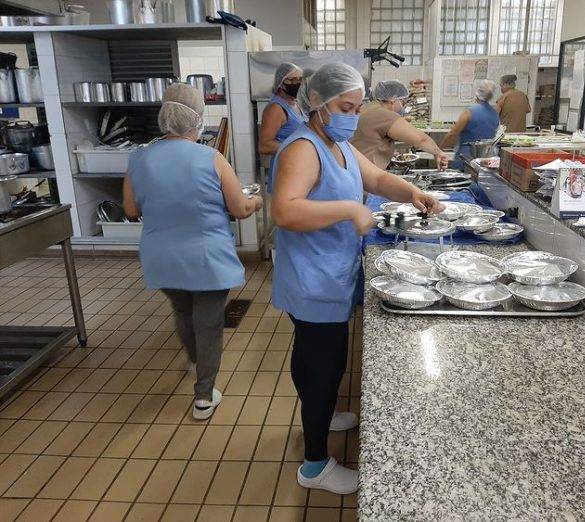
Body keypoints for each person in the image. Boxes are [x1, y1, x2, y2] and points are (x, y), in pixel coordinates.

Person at [271, 63, 442, 495]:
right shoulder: (303, 148)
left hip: (330, 271)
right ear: (318, 104)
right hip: (313, 278)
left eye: (356, 106)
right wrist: (350, 210)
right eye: (345, 106)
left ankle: (322, 412)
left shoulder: (340, 144)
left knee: (314, 358)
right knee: (324, 366)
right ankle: (314, 466)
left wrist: (413, 192)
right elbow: (285, 210)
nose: (352, 113)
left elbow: (378, 177)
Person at [123, 83, 262, 420]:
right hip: (205, 257)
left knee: (183, 312)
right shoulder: (210, 157)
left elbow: (130, 209)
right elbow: (240, 209)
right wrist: (257, 200)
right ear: (197, 120)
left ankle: (195, 362)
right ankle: (203, 396)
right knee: (209, 323)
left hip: (161, 255)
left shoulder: (139, 157)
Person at [351, 80, 448, 170]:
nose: (403, 106)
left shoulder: (366, 108)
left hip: (354, 166)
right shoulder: (384, 114)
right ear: (393, 99)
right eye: (402, 101)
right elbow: (421, 139)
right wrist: (438, 152)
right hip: (365, 172)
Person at [258, 62, 307, 191]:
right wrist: (297, 147)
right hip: (285, 167)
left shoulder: (296, 103)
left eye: (300, 79)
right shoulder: (276, 109)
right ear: (281, 83)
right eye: (291, 80)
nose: (297, 83)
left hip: (299, 165)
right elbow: (264, 145)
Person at [441, 79, 500, 170]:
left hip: (467, 157)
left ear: (476, 94)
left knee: (462, 182)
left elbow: (452, 134)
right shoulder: (495, 113)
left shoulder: (469, 112)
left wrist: (439, 149)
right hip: (486, 158)